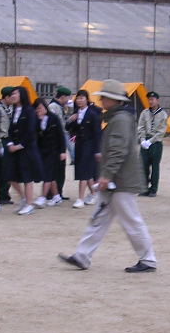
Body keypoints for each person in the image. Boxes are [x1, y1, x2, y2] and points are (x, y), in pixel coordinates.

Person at [59, 80, 157, 273]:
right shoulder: (119, 118)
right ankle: (82, 255)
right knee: (99, 218)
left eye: (104, 97)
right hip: (116, 180)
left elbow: (118, 150)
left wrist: (107, 174)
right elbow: (117, 149)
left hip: (121, 180)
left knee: (130, 220)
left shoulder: (120, 119)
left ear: (114, 99)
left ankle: (148, 259)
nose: (101, 100)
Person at [4, 86, 43, 215]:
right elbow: (10, 130)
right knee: (11, 175)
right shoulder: (15, 110)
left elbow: (31, 131)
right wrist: (10, 143)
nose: (13, 96)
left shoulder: (29, 111)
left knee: (27, 177)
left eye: (15, 93)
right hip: (15, 149)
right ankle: (24, 198)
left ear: (22, 94)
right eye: (12, 94)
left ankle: (29, 204)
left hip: (27, 149)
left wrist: (20, 145)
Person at [66, 89, 102, 208]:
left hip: (90, 146)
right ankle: (94, 194)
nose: (79, 100)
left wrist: (98, 150)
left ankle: (80, 199)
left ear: (87, 99)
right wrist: (71, 120)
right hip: (79, 145)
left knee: (83, 172)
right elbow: (68, 128)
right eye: (78, 98)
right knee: (86, 173)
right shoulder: (76, 113)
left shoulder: (92, 114)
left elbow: (97, 133)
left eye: (82, 98)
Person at [34, 97, 66, 206]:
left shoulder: (53, 118)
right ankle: (56, 196)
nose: (39, 110)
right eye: (37, 108)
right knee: (50, 175)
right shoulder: (36, 120)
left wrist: (62, 151)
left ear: (45, 107)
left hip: (54, 150)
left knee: (47, 174)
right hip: (42, 151)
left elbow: (61, 135)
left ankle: (43, 197)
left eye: (40, 108)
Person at [137, 90, 168, 197]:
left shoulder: (163, 114)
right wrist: (142, 140)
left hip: (156, 142)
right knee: (143, 165)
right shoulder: (144, 113)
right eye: (149, 100)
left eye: (152, 99)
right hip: (145, 141)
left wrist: (151, 141)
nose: (150, 102)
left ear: (157, 100)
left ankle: (153, 189)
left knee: (155, 166)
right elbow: (140, 127)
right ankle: (144, 188)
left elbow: (161, 131)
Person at [48, 86, 73, 199]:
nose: (68, 100)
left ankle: (58, 192)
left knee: (60, 169)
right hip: (55, 142)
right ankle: (53, 193)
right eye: (67, 97)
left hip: (59, 140)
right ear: (62, 97)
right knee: (56, 168)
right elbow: (56, 126)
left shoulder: (59, 106)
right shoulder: (53, 107)